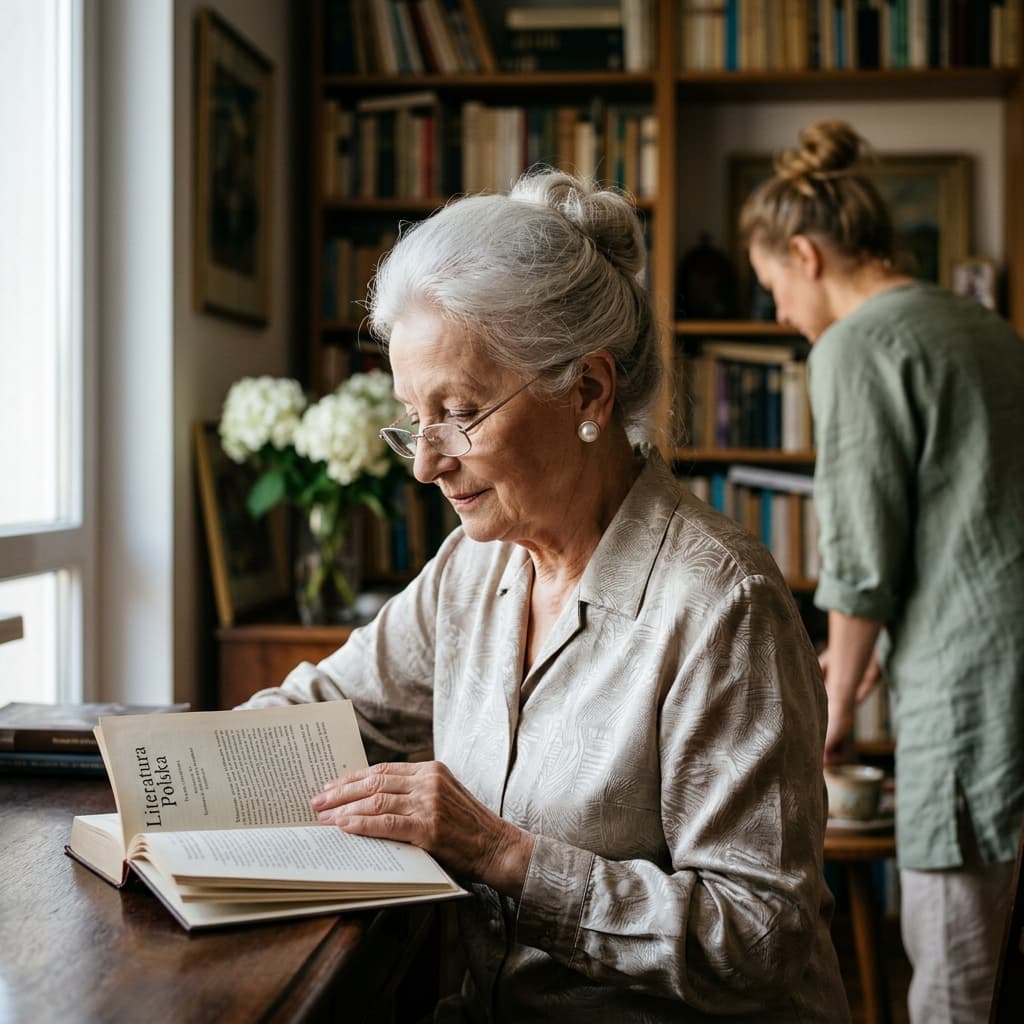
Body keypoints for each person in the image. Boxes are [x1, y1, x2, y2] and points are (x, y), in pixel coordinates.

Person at [240, 169, 848, 1022]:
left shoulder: (720, 603)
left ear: (589, 392)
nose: (425, 462)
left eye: (458, 414)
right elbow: (327, 704)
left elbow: (755, 938)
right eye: (414, 418)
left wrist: (499, 852)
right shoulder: (472, 568)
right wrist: (180, 778)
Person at [740, 119, 1024, 1024]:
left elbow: (860, 563)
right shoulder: (978, 323)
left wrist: (835, 702)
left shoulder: (854, 347)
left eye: (774, 288)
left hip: (973, 694)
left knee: (953, 986)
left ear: (806, 253)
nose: (779, 316)